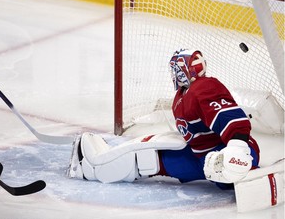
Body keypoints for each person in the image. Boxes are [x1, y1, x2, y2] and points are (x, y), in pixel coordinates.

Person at [67, 49, 260, 190]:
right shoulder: (181, 97)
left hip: (229, 151)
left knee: (225, 174)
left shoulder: (204, 87)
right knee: (146, 160)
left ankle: (248, 169)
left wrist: (237, 149)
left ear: (187, 70)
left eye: (177, 69)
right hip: (200, 156)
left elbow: (230, 118)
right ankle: (91, 169)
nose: (173, 74)